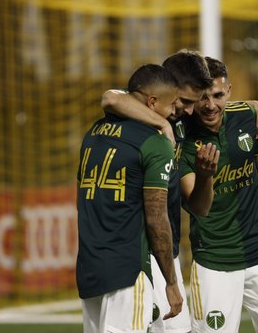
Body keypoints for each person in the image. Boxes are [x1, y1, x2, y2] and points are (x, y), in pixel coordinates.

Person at [100, 49, 258, 333]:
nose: (193, 109)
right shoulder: (148, 112)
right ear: (170, 90)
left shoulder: (183, 116)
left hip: (166, 248)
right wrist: (159, 124)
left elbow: (216, 105)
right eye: (189, 101)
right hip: (137, 248)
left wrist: (253, 105)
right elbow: (110, 97)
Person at [179, 57, 258, 333]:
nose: (210, 105)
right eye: (201, 97)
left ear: (229, 91)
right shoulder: (180, 137)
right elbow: (198, 207)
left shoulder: (247, 116)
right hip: (215, 260)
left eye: (217, 95)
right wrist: (205, 175)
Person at [76, 64, 183, 333]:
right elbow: (157, 219)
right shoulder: (155, 144)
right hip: (127, 270)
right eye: (171, 105)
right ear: (152, 102)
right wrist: (171, 282)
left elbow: (113, 98)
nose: (173, 113)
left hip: (90, 269)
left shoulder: (93, 133)